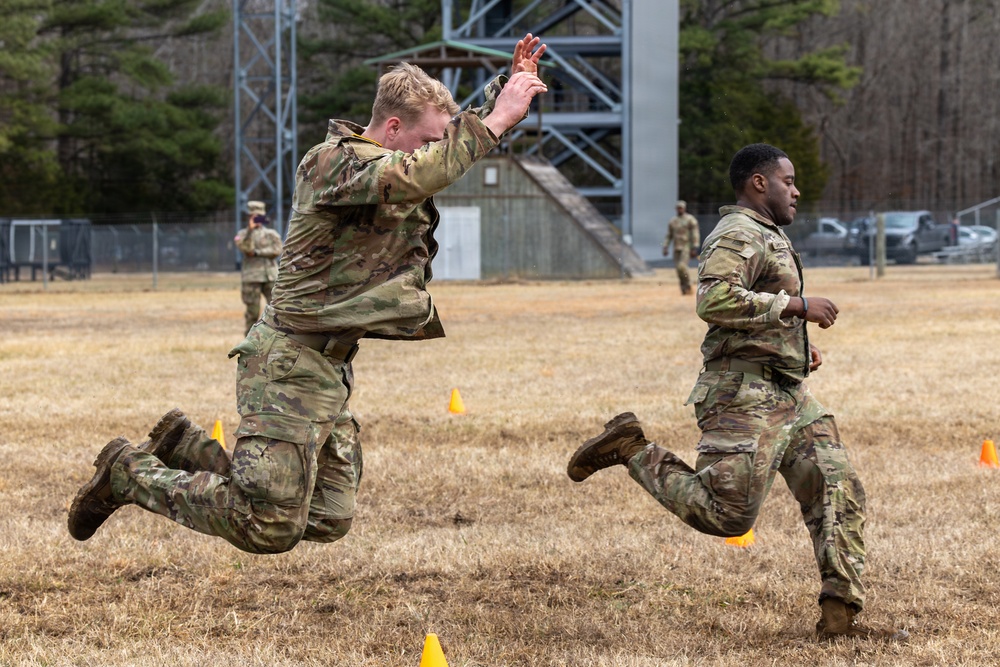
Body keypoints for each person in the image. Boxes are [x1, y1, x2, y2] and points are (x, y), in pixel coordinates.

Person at [68, 34, 549, 554]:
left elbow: (445, 146)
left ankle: (185, 448)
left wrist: (507, 87)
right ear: (392, 128)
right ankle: (128, 473)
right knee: (268, 525)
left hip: (329, 367)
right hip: (289, 363)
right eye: (425, 140)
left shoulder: (391, 159)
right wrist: (496, 120)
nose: (434, 150)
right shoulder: (335, 165)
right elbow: (424, 170)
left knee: (324, 519)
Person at [567, 144, 908, 641]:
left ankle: (841, 619)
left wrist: (796, 347)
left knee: (838, 490)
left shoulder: (767, 234)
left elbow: (752, 310)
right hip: (743, 395)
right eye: (788, 181)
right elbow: (714, 299)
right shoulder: (737, 231)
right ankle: (631, 449)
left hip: (788, 391)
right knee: (727, 516)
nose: (797, 190)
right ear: (758, 183)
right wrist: (796, 307)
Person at [234, 201, 283, 334]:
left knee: (277, 311)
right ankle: (250, 346)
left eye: (259, 216)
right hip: (252, 277)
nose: (257, 220)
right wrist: (250, 230)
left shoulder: (271, 234)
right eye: (254, 217)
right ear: (249, 217)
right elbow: (247, 249)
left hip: (270, 276)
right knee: (252, 313)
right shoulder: (242, 235)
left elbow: (277, 250)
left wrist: (257, 253)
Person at [662, 200, 700, 295]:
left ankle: (688, 285)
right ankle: (683, 289)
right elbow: (669, 235)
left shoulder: (690, 219)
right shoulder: (673, 221)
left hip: (686, 247)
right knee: (678, 270)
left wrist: (694, 247)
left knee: (682, 267)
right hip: (676, 248)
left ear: (684, 208)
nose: (680, 209)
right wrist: (665, 246)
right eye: (678, 208)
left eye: (681, 207)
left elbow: (695, 233)